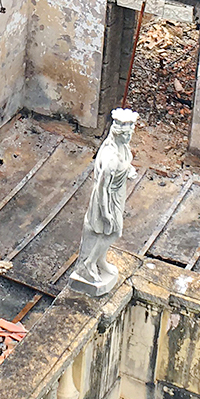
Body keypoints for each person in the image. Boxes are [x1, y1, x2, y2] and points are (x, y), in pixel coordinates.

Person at [71, 108, 138, 296]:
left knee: (109, 232)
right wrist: (106, 212)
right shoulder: (111, 158)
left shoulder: (122, 148)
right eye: (125, 135)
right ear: (117, 133)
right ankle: (88, 263)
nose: (128, 138)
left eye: (130, 134)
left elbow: (125, 164)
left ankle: (100, 260)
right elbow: (101, 188)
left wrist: (129, 171)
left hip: (118, 194)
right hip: (106, 199)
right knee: (112, 232)